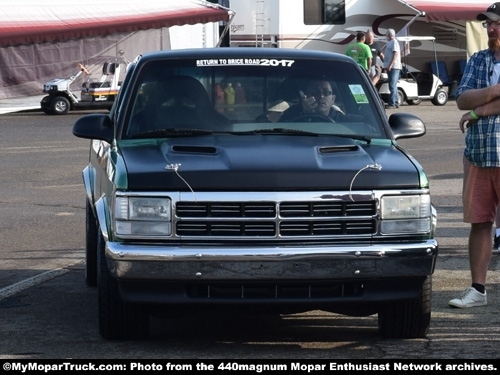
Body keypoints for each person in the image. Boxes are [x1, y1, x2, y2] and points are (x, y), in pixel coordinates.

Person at [451, 2, 500, 308]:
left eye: (495, 24)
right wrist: (496, 91)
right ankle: (477, 290)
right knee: (480, 222)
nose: (490, 29)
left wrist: (478, 110)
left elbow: (470, 105)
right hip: (480, 153)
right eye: (487, 25)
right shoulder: (479, 59)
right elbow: (461, 98)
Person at [279, 78, 361, 122]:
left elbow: (368, 124)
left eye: (326, 92)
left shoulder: (345, 121)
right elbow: (280, 131)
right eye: (315, 92)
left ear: (333, 99)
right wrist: (304, 114)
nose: (321, 96)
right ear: (305, 96)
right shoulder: (291, 115)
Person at [383, 28, 401, 109]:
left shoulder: (394, 42)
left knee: (392, 85)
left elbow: (395, 54)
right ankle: (396, 102)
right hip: (392, 67)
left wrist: (390, 65)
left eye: (386, 35)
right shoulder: (391, 42)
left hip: (394, 67)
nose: (386, 36)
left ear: (389, 35)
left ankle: (392, 103)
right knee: (393, 85)